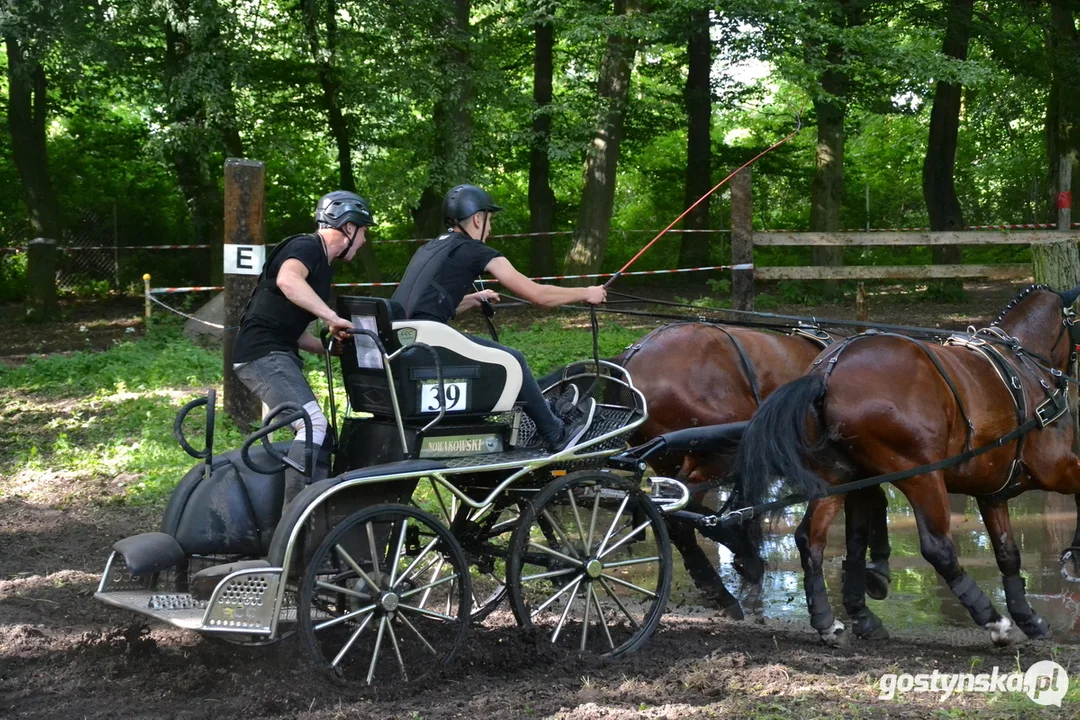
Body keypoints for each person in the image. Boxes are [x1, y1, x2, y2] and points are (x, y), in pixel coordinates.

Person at [392, 184, 607, 451]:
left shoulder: (431, 247)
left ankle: (545, 410)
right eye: (489, 220)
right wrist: (587, 292)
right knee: (512, 360)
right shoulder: (475, 250)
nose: (491, 228)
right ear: (478, 219)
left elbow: (425, 305)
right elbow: (539, 295)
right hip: (428, 345)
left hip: (404, 342)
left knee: (504, 360)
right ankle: (556, 434)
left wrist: (473, 299)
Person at [232, 190, 375, 508]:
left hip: (273, 351)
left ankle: (311, 509)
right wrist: (331, 316)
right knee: (313, 425)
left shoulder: (322, 266)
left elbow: (291, 331)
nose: (364, 240)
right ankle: (296, 519)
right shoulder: (306, 246)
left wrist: (327, 348)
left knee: (316, 428)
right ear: (348, 228)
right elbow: (287, 281)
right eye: (363, 231)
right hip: (262, 354)